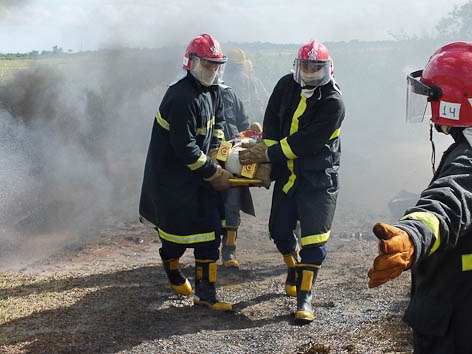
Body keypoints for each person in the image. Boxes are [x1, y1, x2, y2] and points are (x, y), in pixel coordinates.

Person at [368, 41, 472, 353]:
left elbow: (448, 201)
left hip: (455, 316)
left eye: (432, 97)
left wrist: (412, 235)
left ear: (451, 101)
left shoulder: (467, 158)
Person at [239, 39, 345, 324]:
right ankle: (293, 266)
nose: (310, 71)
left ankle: (305, 297)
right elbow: (272, 122)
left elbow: (306, 142)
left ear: (327, 69)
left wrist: (268, 153)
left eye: (316, 67)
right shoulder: (286, 85)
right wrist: (267, 164)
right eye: (306, 66)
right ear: (297, 66)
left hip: (318, 177)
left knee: (314, 241)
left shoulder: (333, 102)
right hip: (288, 174)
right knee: (279, 231)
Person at [139, 33, 233, 311]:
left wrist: (218, 150)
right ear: (191, 63)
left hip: (200, 175)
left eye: (216, 65)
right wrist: (214, 173)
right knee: (176, 237)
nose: (212, 70)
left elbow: (219, 123)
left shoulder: (215, 89)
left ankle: (206, 295)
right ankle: (170, 263)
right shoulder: (180, 96)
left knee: (209, 234)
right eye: (207, 64)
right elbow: (184, 147)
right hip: (173, 180)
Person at [219, 82, 262, 268]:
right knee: (209, 207)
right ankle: (206, 252)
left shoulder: (229, 95)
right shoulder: (197, 95)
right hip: (210, 160)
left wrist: (250, 137)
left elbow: (243, 124)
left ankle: (229, 251)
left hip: (232, 160)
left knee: (232, 204)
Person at [224, 48, 269, 124]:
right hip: (242, 119)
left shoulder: (251, 81)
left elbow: (263, 100)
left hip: (246, 119)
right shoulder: (224, 82)